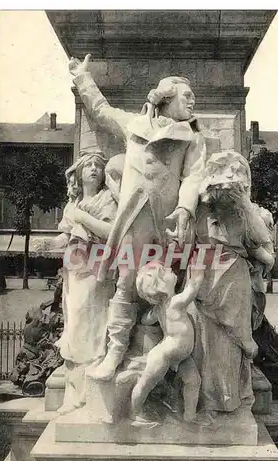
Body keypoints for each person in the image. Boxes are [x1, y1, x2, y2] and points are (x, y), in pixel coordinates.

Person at [69, 54, 207, 380]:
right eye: (186, 96)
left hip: (171, 224)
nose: (192, 102)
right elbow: (100, 110)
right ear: (166, 98)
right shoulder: (134, 124)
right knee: (125, 284)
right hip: (133, 220)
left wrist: (186, 209)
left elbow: (194, 177)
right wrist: (81, 77)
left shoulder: (193, 138)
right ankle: (115, 352)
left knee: (174, 288)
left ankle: (175, 360)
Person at [34, 151, 122, 414]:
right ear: (78, 173)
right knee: (74, 328)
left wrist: (82, 217)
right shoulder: (73, 203)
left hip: (97, 269)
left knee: (93, 329)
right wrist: (49, 243)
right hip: (75, 271)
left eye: (98, 165)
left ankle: (89, 395)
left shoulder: (107, 200)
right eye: (89, 166)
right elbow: (66, 236)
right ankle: (75, 394)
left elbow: (111, 232)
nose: (94, 169)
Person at [193, 151, 275, 414]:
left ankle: (228, 403)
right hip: (203, 280)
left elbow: (263, 247)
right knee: (205, 345)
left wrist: (265, 260)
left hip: (233, 281)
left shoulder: (243, 216)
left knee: (229, 346)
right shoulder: (200, 213)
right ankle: (208, 404)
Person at [133, 261, 203, 423]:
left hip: (181, 356)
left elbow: (145, 320)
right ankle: (134, 412)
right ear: (161, 286)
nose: (170, 269)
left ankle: (190, 415)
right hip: (164, 355)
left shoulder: (160, 309)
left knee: (194, 381)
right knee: (145, 384)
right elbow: (192, 290)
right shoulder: (176, 302)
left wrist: (152, 314)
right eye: (165, 271)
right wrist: (198, 272)